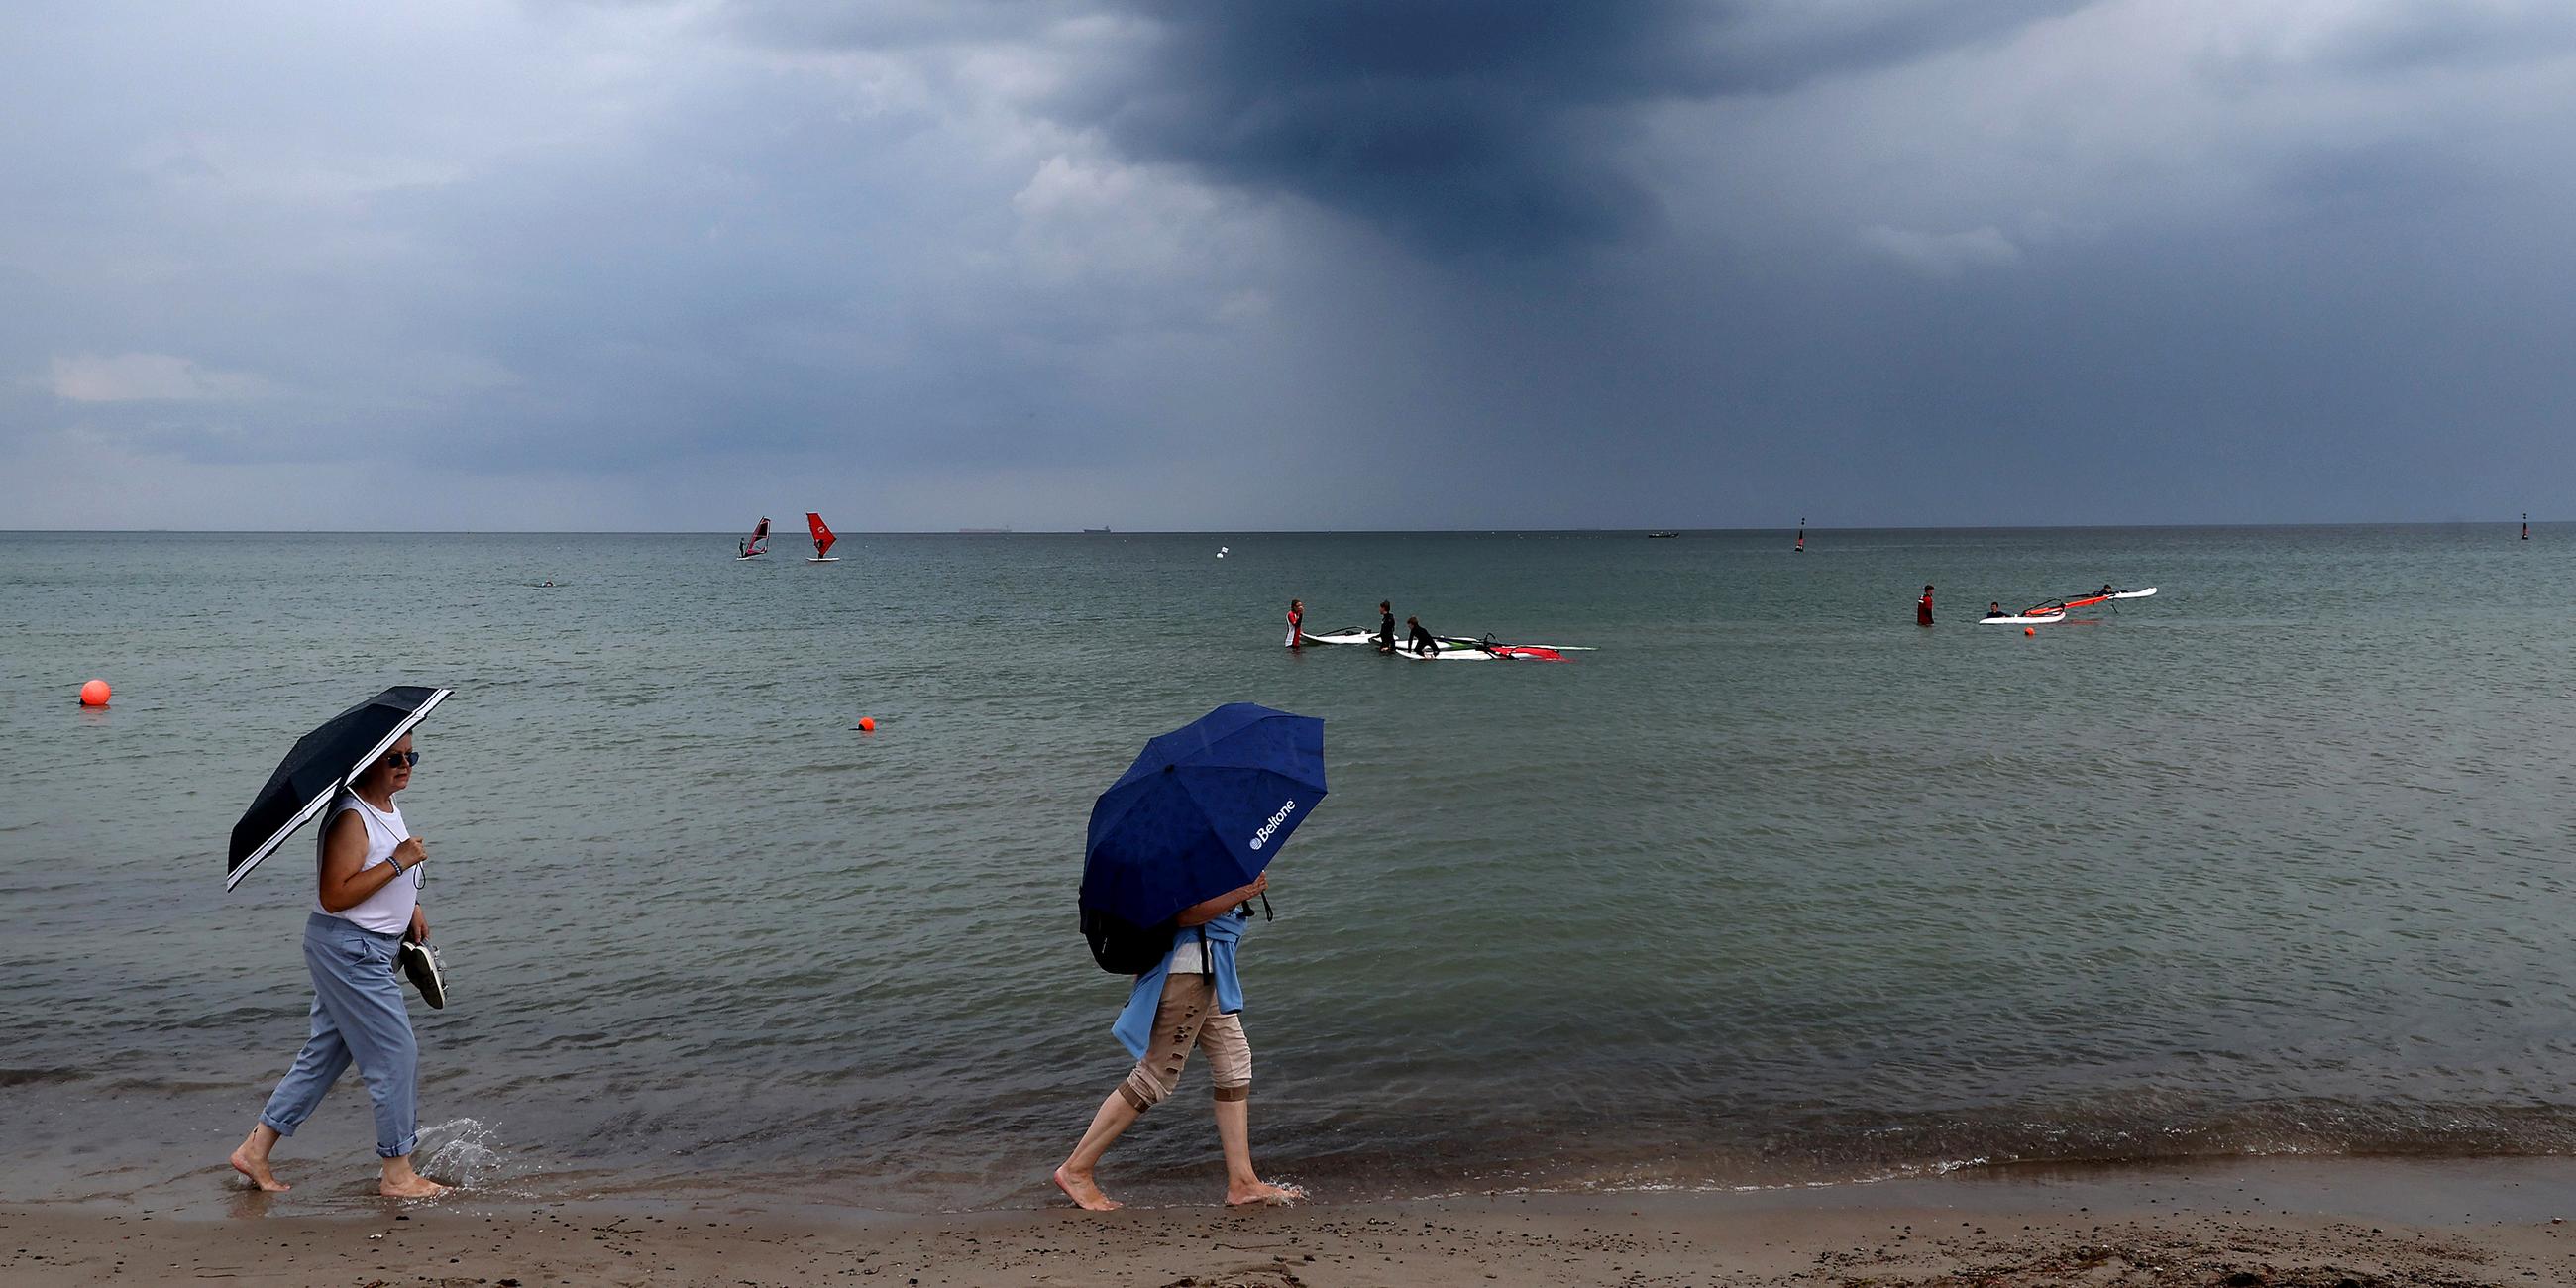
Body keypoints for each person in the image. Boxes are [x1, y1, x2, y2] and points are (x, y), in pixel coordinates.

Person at [229, 734, 445, 1198]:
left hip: (369, 947)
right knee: (395, 1055)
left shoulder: (383, 802)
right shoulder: (351, 816)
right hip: (351, 950)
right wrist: (399, 860)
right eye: (394, 758)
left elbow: (376, 878)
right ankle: (397, 1174)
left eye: (412, 756)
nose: (406, 764)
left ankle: (254, 1151)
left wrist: (410, 906)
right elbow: (336, 894)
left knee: (325, 1053)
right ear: (366, 760)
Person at [1054, 873, 1301, 1210]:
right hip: (1186, 970)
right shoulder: (1173, 850)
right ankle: (1076, 1170)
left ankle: (1242, 1182)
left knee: (1234, 1062)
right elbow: (1185, 913)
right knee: (1155, 1076)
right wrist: (1244, 890)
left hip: (1208, 966)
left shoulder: (1190, 841)